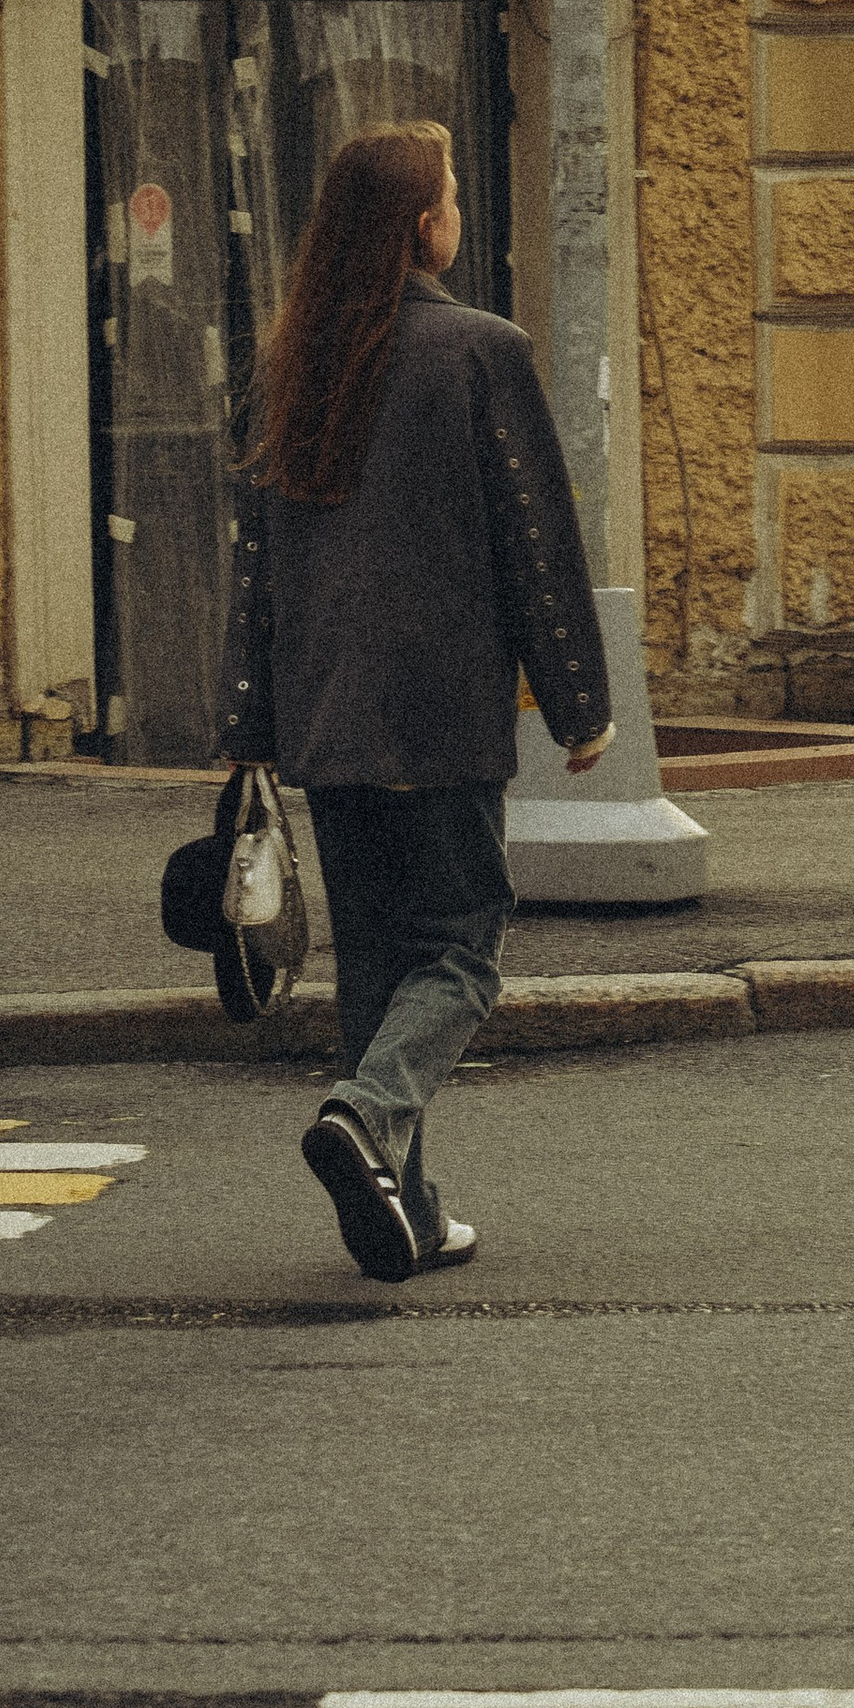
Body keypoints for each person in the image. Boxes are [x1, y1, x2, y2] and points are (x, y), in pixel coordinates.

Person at [218, 119, 614, 1284]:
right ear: (423, 226)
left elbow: (259, 571)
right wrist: (582, 703)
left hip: (327, 723)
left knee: (379, 971)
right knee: (462, 958)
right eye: (449, 194)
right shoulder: (481, 352)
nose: (457, 213)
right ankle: (367, 1114)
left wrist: (248, 729)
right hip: (438, 715)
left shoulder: (291, 365)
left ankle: (408, 1208)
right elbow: (533, 539)